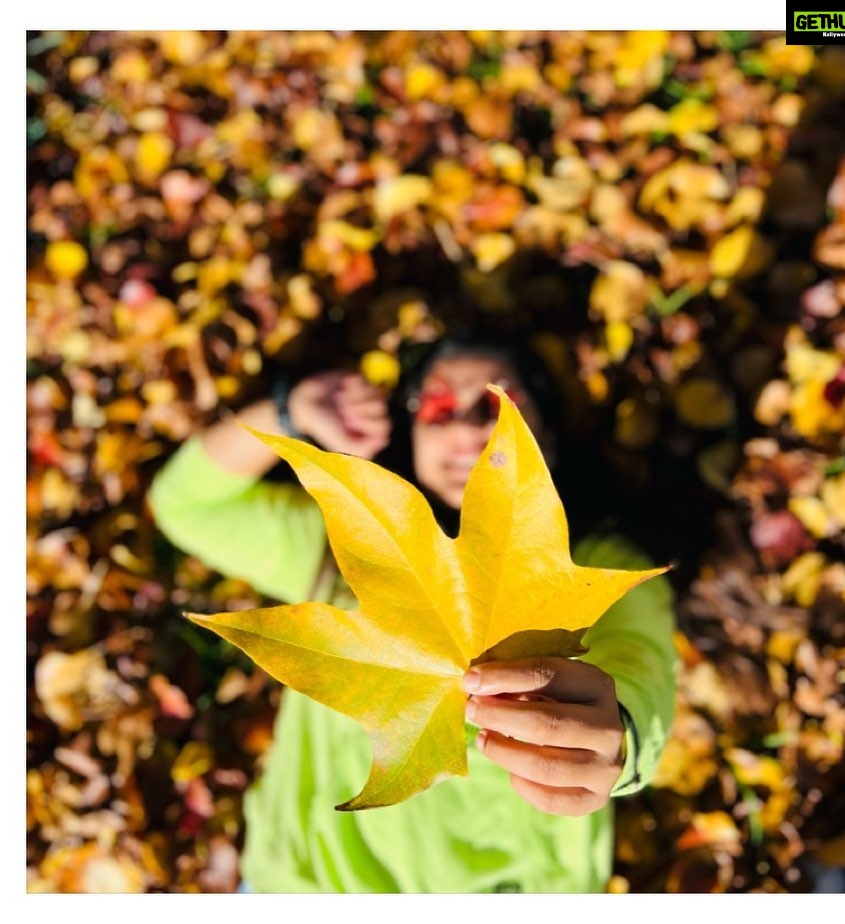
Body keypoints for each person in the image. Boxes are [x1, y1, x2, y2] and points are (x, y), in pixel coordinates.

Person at [148, 331, 677, 893]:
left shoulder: (598, 569)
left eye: (497, 407)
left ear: (544, 433)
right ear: (411, 430)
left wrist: (619, 738)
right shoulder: (349, 549)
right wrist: (290, 409)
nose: (465, 428)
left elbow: (642, 674)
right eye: (439, 406)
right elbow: (184, 505)